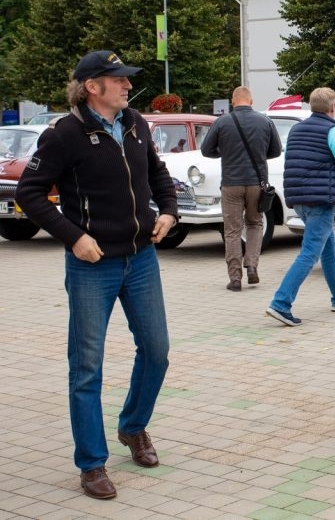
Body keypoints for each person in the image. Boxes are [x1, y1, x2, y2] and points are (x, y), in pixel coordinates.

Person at [15, 50, 177, 500]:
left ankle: (133, 427)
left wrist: (167, 211)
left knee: (158, 352)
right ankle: (91, 463)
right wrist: (72, 237)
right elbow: (30, 192)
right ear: (92, 86)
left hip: (141, 257)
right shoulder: (65, 133)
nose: (128, 86)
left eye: (127, 80)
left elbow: (158, 175)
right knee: (87, 367)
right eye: (119, 79)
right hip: (92, 264)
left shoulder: (135, 123)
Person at [265, 87, 335, 327]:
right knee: (310, 252)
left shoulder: (296, 129)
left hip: (298, 199)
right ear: (333, 107)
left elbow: (291, 161)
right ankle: (281, 302)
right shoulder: (333, 130)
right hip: (321, 200)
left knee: (328, 246)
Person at [201, 86, 282, 291]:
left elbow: (206, 150)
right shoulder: (265, 121)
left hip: (231, 183)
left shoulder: (222, 122)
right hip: (257, 183)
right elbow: (275, 151)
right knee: (255, 224)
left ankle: (235, 278)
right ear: (251, 101)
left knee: (232, 230)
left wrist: (225, 152)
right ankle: (252, 266)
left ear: (233, 101)